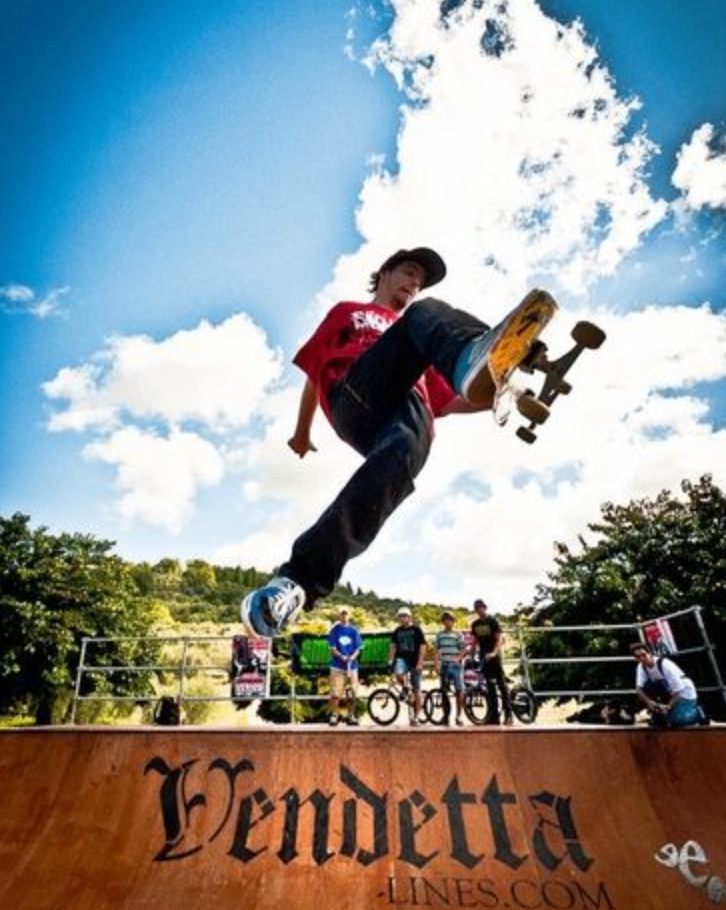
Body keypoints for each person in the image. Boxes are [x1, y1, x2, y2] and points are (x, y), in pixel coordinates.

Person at [241, 246, 557, 637]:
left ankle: (297, 585)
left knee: (407, 444)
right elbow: (313, 372)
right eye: (408, 274)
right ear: (385, 274)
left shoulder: (426, 343)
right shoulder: (349, 312)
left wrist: (500, 390)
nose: (413, 285)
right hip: (359, 395)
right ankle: (481, 348)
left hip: (405, 419)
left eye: (419, 282)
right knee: (425, 313)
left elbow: (456, 399)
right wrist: (302, 431)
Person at [630, 642, 704, 728]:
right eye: (638, 657)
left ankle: (698, 713)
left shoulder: (665, 665)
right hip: (667, 694)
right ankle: (658, 714)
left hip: (684, 695)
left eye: (644, 655)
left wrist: (668, 706)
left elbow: (679, 691)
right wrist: (649, 702)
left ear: (649, 653)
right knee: (647, 685)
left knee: (677, 720)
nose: (642, 658)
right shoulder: (641, 667)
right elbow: (639, 688)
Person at [470, 598, 513, 725]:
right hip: (484, 657)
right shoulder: (475, 624)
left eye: (481, 607)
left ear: (485, 608)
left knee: (501, 684)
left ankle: (508, 713)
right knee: (490, 687)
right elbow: (475, 641)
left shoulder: (492, 621)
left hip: (494, 656)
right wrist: (472, 653)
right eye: (477, 608)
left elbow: (499, 639)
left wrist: (494, 652)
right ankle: (493, 716)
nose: (479, 610)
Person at [388, 607, 427, 725]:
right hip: (402, 658)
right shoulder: (397, 631)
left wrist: (420, 662)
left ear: (409, 617)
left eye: (404, 616)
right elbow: (393, 646)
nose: (402, 618)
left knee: (417, 688)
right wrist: (390, 660)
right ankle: (405, 687)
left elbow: (422, 646)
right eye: (400, 616)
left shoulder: (416, 630)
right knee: (398, 672)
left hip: (415, 660)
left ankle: (417, 715)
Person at [328, 607, 363, 726]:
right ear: (339, 616)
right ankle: (334, 715)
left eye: (346, 614)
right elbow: (332, 649)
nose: (344, 617)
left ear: (349, 616)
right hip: (337, 666)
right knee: (335, 693)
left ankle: (351, 715)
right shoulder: (334, 630)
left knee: (352, 693)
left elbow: (358, 648)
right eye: (342, 615)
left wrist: (352, 657)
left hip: (352, 667)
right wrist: (341, 656)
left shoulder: (354, 631)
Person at [434, 611, 467, 726]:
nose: (448, 622)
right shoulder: (440, 635)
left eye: (450, 620)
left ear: (453, 621)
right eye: (446, 620)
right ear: (443, 622)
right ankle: (446, 716)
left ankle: (459, 715)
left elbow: (463, 649)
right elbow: (437, 650)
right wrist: (437, 664)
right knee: (444, 691)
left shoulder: (458, 635)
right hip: (444, 665)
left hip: (456, 666)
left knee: (459, 690)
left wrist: (458, 658)